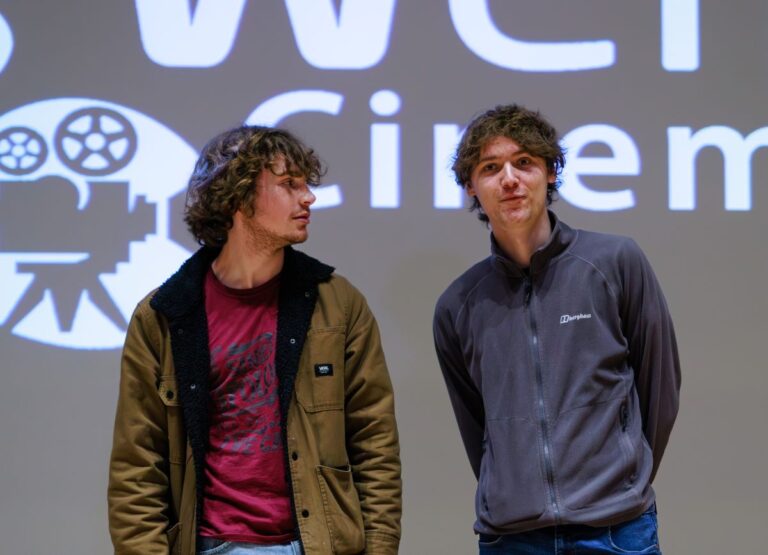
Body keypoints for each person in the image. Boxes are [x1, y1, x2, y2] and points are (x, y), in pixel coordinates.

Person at [108, 126, 401, 555]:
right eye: (288, 185)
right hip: (210, 545)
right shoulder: (163, 316)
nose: (309, 198)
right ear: (237, 196)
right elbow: (138, 469)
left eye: (305, 184)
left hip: (317, 545)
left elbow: (375, 447)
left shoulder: (338, 305)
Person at [432, 105, 680, 554]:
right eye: (490, 168)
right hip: (511, 538)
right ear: (471, 187)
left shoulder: (615, 262)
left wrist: (622, 482)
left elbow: (660, 387)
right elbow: (477, 426)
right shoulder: (458, 305)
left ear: (550, 173)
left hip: (616, 531)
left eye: (524, 162)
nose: (509, 178)